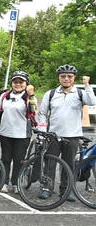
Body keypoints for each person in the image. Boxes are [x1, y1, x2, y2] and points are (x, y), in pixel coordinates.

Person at [35, 64, 95, 201]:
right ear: (59, 78)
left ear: (74, 78)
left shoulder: (80, 94)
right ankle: (46, 188)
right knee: (50, 162)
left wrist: (87, 85)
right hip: (53, 135)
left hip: (72, 135)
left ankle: (66, 190)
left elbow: (92, 101)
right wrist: (43, 130)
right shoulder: (51, 94)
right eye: (63, 76)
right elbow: (43, 113)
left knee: (68, 164)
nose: (66, 79)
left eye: (69, 76)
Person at [0, 70, 38, 194]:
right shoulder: (5, 96)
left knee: (19, 160)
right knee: (5, 159)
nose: (18, 84)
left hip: (22, 134)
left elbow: (33, 111)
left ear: (26, 83)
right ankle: (4, 182)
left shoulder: (29, 97)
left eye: (21, 82)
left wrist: (32, 95)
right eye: (15, 82)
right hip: (6, 133)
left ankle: (16, 183)